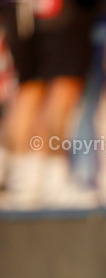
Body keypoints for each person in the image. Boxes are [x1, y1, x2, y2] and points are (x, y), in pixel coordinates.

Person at [0, 0, 96, 208]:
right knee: (58, 88)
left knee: (32, 89)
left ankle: (27, 179)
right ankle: (40, 180)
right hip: (57, 14)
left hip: (31, 13)